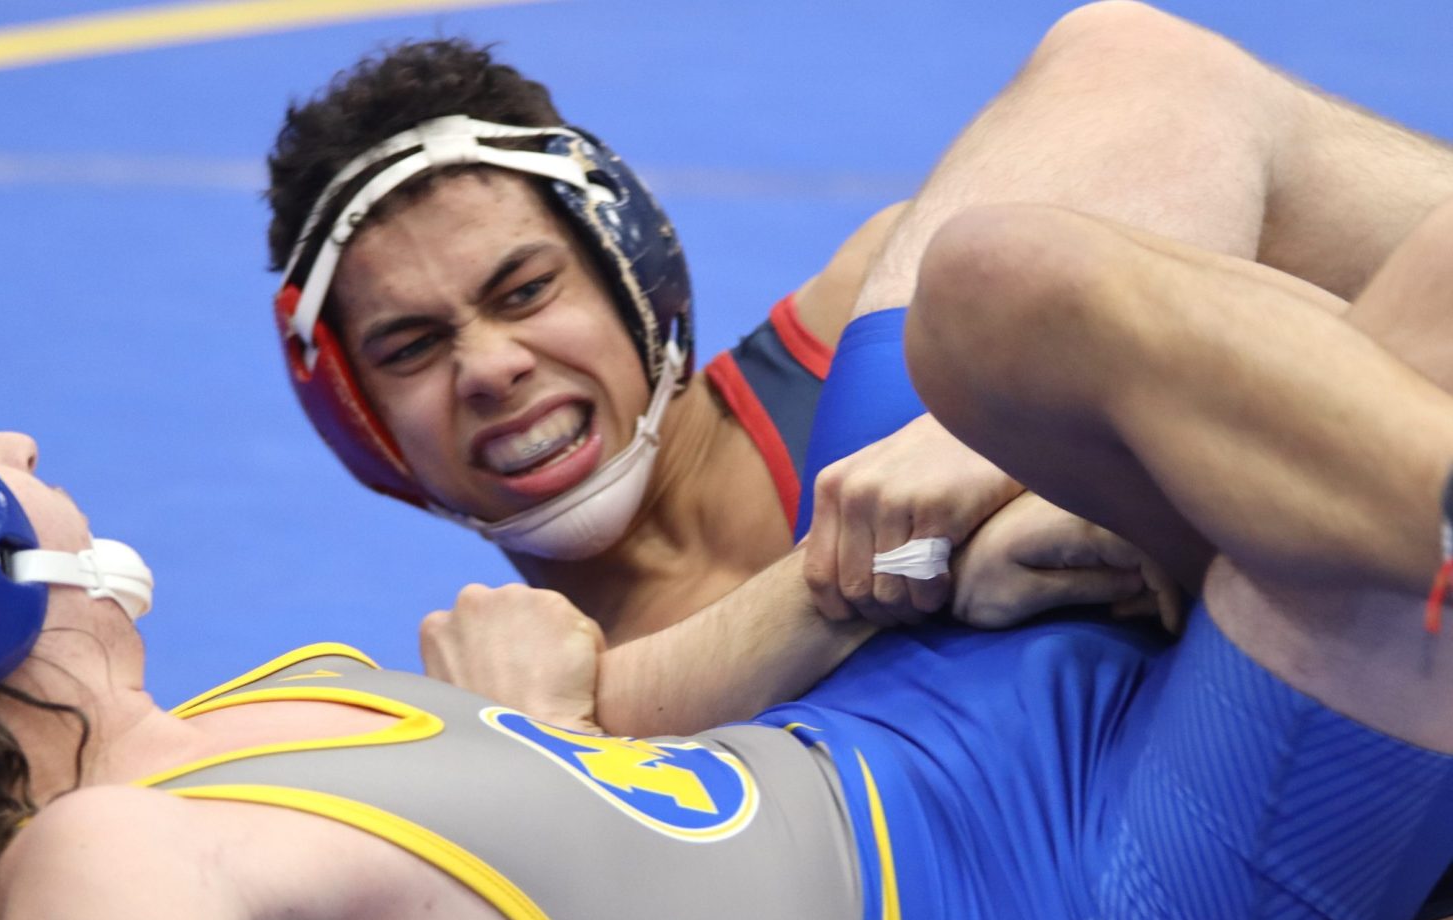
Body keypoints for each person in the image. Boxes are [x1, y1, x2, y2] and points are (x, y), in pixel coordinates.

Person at [0, 187, 1453, 920]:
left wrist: (896, 576)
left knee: (1143, 279)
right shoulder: (87, 874)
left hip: (989, 746)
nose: (16, 441)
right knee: (1024, 281)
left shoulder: (272, 710)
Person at [265, 2, 1453, 697]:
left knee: (1114, 93)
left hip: (1364, 650)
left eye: (525, 291)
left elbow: (1342, 342)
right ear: (357, 428)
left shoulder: (885, 319)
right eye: (412, 348)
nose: (489, 366)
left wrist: (1060, 460)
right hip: (1294, 915)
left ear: (635, 270)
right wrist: (918, 564)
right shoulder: (522, 678)